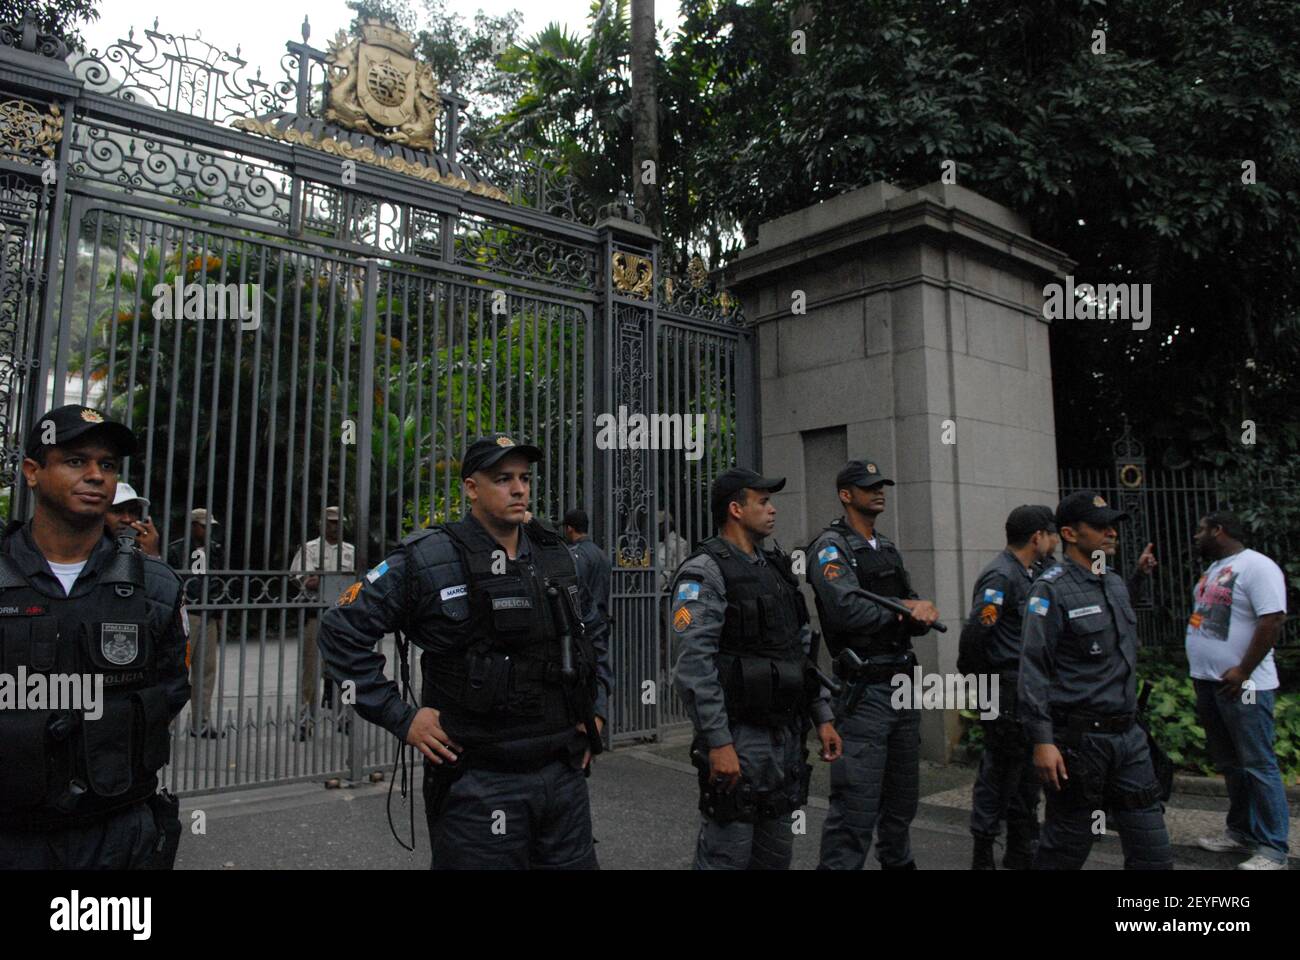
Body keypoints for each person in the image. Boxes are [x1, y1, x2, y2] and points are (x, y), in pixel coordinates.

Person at [317, 434, 612, 869]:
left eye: (524, 478)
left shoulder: (556, 557)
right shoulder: (430, 558)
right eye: (503, 479)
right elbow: (340, 630)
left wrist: (596, 709)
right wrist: (402, 717)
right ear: (471, 487)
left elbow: (595, 634)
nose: (519, 489)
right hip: (478, 786)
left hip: (562, 778)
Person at [0, 405, 188, 869]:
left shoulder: (157, 586)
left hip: (117, 836)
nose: (95, 476)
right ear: (32, 472)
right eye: (75, 461)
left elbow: (170, 690)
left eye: (106, 465)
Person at [671, 467, 841, 869]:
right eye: (762, 501)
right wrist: (718, 741)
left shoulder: (776, 568)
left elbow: (800, 650)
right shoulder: (704, 572)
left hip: (783, 738)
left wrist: (822, 716)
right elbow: (694, 664)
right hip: (739, 737)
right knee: (727, 854)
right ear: (735, 509)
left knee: (775, 858)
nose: (772, 510)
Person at [1019, 491, 1170, 870]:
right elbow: (1034, 669)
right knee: (1065, 848)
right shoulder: (1050, 589)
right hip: (1080, 744)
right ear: (1069, 533)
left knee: (1153, 852)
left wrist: (1137, 575)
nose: (1111, 533)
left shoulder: (1115, 583)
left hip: (1129, 738)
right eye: (1100, 527)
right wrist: (1042, 741)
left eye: (1113, 526)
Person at [808, 458, 941, 870]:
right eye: (868, 487)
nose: (878, 491)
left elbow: (909, 604)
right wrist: (908, 609)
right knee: (855, 811)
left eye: (881, 484)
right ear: (847, 495)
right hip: (864, 693)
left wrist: (923, 614)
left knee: (901, 807)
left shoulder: (886, 548)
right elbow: (846, 607)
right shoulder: (830, 547)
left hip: (902, 686)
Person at [1186, 511, 1290, 870]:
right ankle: (1241, 832)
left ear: (1218, 530)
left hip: (1245, 686)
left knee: (1257, 763)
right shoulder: (1215, 568)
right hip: (1211, 682)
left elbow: (1273, 618)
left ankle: (1273, 848)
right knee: (1231, 764)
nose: (1197, 536)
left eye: (1201, 529)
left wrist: (1243, 670)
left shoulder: (1257, 566)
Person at [959, 505, 1058, 869]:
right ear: (1037, 537)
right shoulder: (1001, 577)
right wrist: (981, 685)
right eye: (1051, 535)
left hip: (1025, 691)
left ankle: (1021, 849)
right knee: (998, 774)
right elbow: (977, 634)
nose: (1055, 541)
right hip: (1002, 690)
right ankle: (983, 851)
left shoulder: (1035, 572)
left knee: (1026, 778)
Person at [288, 506, 356, 735]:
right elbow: (299, 578)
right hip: (316, 614)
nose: (335, 526)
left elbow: (358, 581)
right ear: (322, 523)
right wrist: (313, 581)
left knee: (345, 668)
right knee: (310, 669)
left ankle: (345, 715)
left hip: (343, 615)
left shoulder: (350, 551)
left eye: (338, 522)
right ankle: (305, 718)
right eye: (331, 522)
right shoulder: (310, 549)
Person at [168, 508, 224, 738]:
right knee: (178, 669)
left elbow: (221, 579)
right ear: (193, 525)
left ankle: (201, 721)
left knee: (206, 669)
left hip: (208, 612)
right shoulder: (177, 549)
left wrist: (218, 610)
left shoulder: (215, 549)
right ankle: (168, 723)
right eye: (203, 525)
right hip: (187, 612)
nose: (208, 529)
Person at [562, 508, 611, 633]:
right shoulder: (600, 554)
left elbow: (576, 589)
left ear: (569, 528)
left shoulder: (576, 554)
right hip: (601, 621)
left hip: (586, 623)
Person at [105, 481, 161, 557]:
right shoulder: (89, 547)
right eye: (117, 511)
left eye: (132, 512)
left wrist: (151, 554)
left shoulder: (139, 548)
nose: (127, 519)